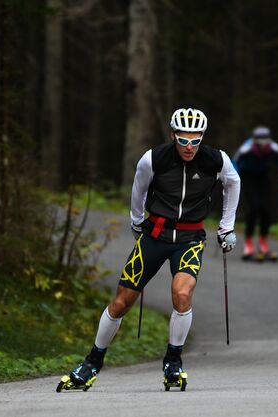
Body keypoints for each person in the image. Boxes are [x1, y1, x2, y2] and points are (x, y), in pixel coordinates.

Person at [59, 108, 240, 391]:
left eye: (196, 140)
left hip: (190, 239)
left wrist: (226, 227)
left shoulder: (216, 160)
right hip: (154, 236)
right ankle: (92, 363)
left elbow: (233, 182)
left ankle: (173, 361)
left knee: (182, 294)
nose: (189, 147)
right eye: (183, 140)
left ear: (203, 138)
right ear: (173, 136)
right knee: (121, 302)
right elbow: (138, 188)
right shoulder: (154, 158)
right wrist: (136, 220)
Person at [233, 126, 278, 261]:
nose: (263, 144)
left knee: (265, 210)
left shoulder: (274, 147)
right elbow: (234, 161)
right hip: (247, 177)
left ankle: (264, 244)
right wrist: (234, 178)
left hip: (263, 177)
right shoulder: (246, 148)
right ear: (254, 140)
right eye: (260, 141)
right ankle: (248, 244)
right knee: (254, 209)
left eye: (265, 140)